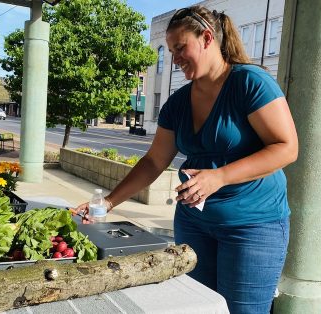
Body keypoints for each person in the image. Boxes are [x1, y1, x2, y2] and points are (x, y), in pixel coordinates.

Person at [74, 5, 298, 313]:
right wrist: (108, 202)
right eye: (170, 51)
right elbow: (154, 161)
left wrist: (219, 177)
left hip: (253, 226)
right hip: (194, 223)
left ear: (207, 38)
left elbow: (286, 147)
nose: (175, 59)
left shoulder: (250, 83)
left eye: (181, 48)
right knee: (197, 306)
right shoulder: (178, 102)